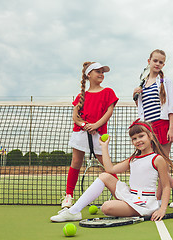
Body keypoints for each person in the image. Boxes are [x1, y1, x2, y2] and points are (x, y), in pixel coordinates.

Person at [50, 120, 172, 222]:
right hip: (131, 196)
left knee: (106, 207)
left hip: (145, 203)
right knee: (105, 176)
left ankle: (139, 210)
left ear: (150, 136)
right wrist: (104, 147)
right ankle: (74, 211)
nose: (138, 140)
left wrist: (162, 210)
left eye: (141, 136)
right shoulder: (133, 159)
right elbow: (110, 169)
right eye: (134, 138)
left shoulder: (158, 159)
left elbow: (166, 186)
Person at [133, 49, 173, 208]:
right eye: (155, 60)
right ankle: (159, 199)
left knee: (159, 166)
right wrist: (135, 96)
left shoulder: (166, 81)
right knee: (155, 165)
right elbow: (142, 109)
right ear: (148, 61)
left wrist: (171, 128)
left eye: (161, 62)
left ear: (163, 64)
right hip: (149, 129)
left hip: (163, 126)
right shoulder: (143, 84)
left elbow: (171, 107)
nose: (157, 64)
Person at [61, 62, 119, 208]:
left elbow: (109, 112)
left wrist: (96, 125)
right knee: (75, 162)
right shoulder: (82, 95)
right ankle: (68, 196)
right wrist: (85, 125)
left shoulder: (108, 92)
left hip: (99, 135)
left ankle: (121, 195)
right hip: (80, 133)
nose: (101, 74)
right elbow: (75, 116)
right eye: (97, 71)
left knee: (107, 167)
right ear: (89, 75)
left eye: (102, 72)